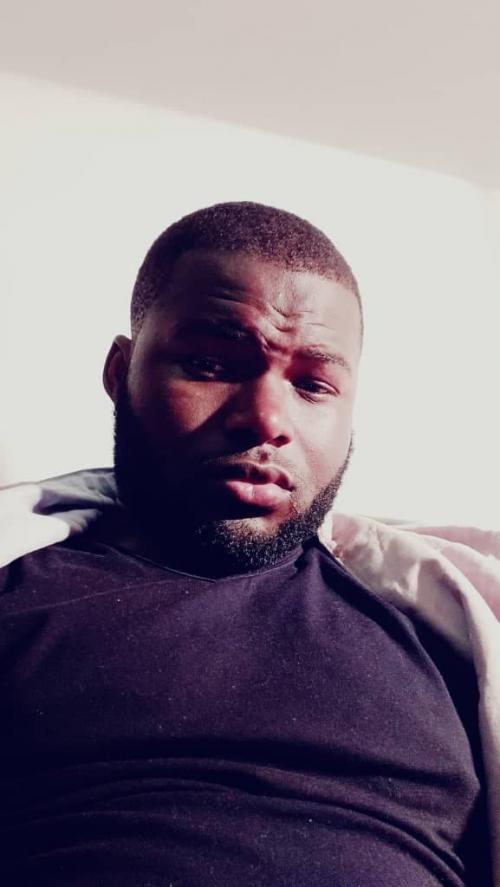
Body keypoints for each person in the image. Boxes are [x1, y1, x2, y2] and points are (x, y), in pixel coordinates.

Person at [0, 202, 493, 885]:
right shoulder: (19, 596)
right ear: (120, 373)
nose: (266, 419)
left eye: (313, 385)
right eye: (210, 363)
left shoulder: (443, 637)